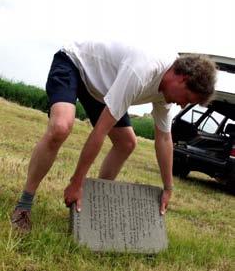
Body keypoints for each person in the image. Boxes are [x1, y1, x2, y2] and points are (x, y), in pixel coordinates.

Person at [11, 40, 217, 232]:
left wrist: (168, 188)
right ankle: (24, 205)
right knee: (61, 127)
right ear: (183, 79)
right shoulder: (142, 70)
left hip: (102, 88)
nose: (182, 105)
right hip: (74, 64)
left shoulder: (167, 93)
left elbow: (164, 139)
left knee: (126, 143)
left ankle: (91, 208)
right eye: (187, 99)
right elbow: (99, 131)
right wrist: (77, 181)